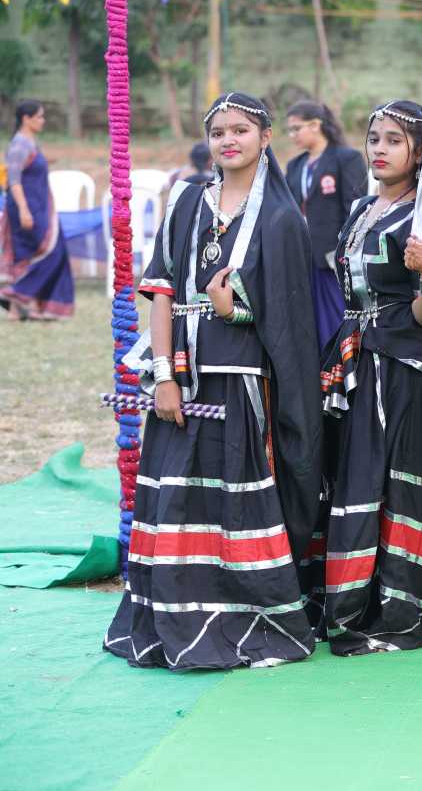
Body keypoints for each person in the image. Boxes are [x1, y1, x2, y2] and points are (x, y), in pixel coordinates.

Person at [104, 92, 321, 669]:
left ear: (265, 138)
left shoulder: (282, 220)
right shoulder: (186, 202)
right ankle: (172, 616)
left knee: (232, 503)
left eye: (241, 130)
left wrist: (237, 312)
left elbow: (291, 319)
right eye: (219, 131)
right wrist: (163, 376)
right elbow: (161, 291)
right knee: (176, 497)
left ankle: (242, 617)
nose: (229, 140)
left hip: (240, 386)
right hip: (180, 377)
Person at [319, 100, 422, 655]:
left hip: (403, 369)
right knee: (355, 475)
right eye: (374, 139)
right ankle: (349, 601)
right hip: (353, 361)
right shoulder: (362, 208)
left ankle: (401, 607)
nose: (380, 150)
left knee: (395, 480)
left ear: (420, 152)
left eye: (393, 140)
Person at [285, 101, 367, 351]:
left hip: (333, 258)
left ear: (315, 125)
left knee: (336, 319)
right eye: (290, 130)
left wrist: (345, 251)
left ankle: (342, 365)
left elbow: (355, 208)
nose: (292, 135)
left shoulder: (346, 158)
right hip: (301, 256)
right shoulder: (295, 166)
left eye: (296, 128)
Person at [1, 101, 74, 320]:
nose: (43, 120)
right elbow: (13, 181)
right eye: (40, 116)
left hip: (39, 206)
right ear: (26, 118)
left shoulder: (31, 142)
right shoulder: (19, 145)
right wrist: (24, 210)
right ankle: (15, 294)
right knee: (49, 252)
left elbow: (30, 171)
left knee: (31, 254)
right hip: (25, 208)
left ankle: (22, 309)